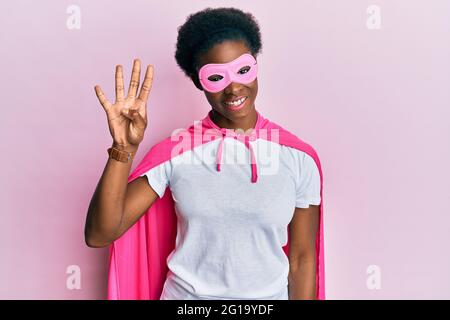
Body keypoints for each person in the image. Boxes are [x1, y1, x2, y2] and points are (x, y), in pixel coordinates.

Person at [84, 7, 325, 300]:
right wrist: (123, 148)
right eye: (216, 78)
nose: (234, 87)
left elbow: (302, 260)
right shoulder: (177, 151)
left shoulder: (298, 157)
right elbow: (99, 234)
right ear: (199, 82)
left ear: (256, 65)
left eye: (243, 70)